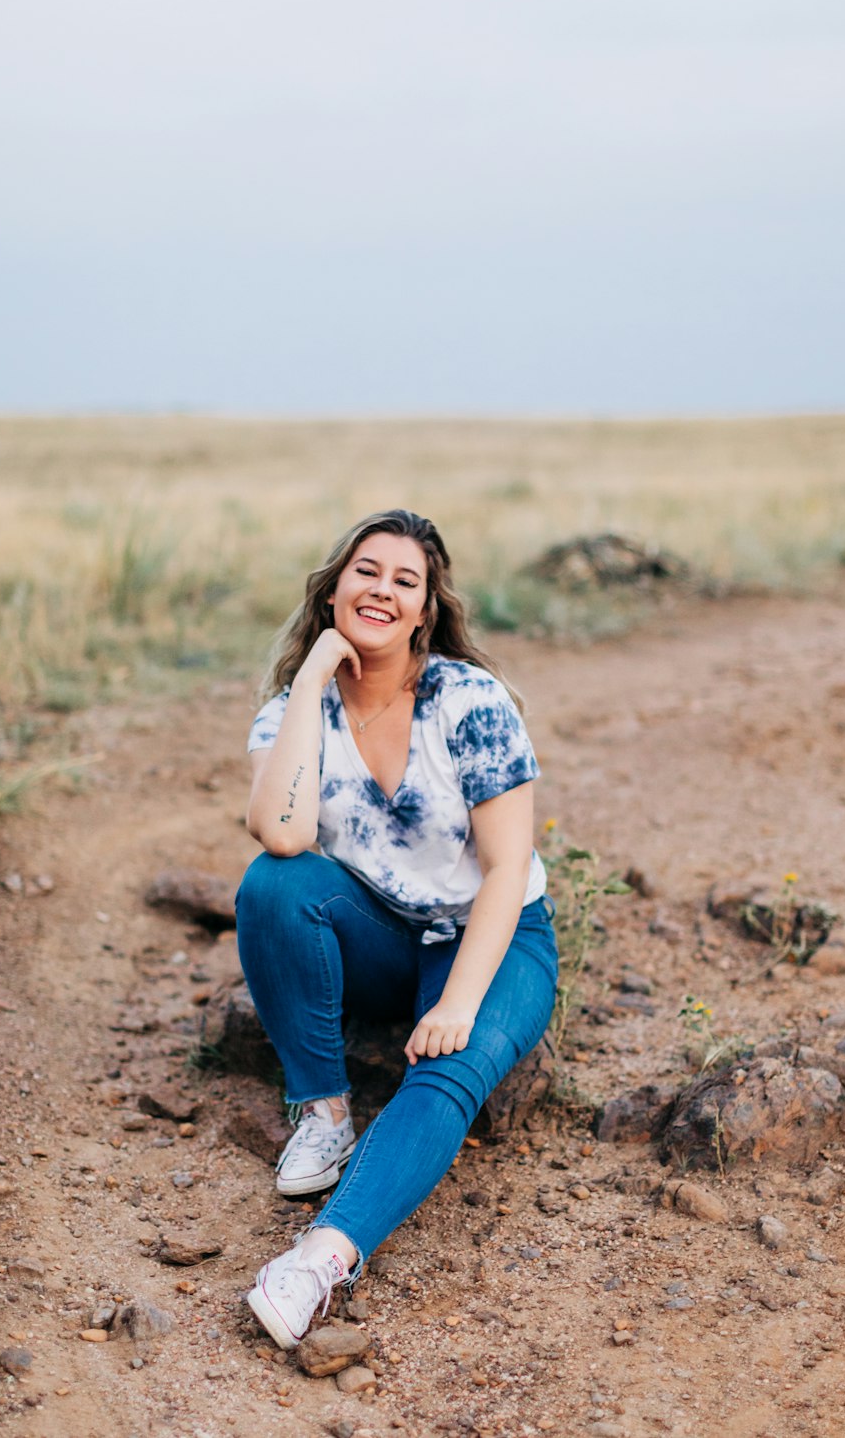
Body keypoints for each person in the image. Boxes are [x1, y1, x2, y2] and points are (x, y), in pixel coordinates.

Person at [236, 509, 557, 1350]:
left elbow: (507, 870)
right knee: (275, 885)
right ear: (335, 588)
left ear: (424, 609)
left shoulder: (469, 700)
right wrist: (310, 683)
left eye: (403, 580)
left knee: (449, 1069)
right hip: (380, 930)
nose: (381, 589)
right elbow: (281, 834)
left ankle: (320, 1259)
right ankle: (325, 1109)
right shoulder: (292, 710)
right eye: (365, 571)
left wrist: (456, 1002)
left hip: (495, 933)